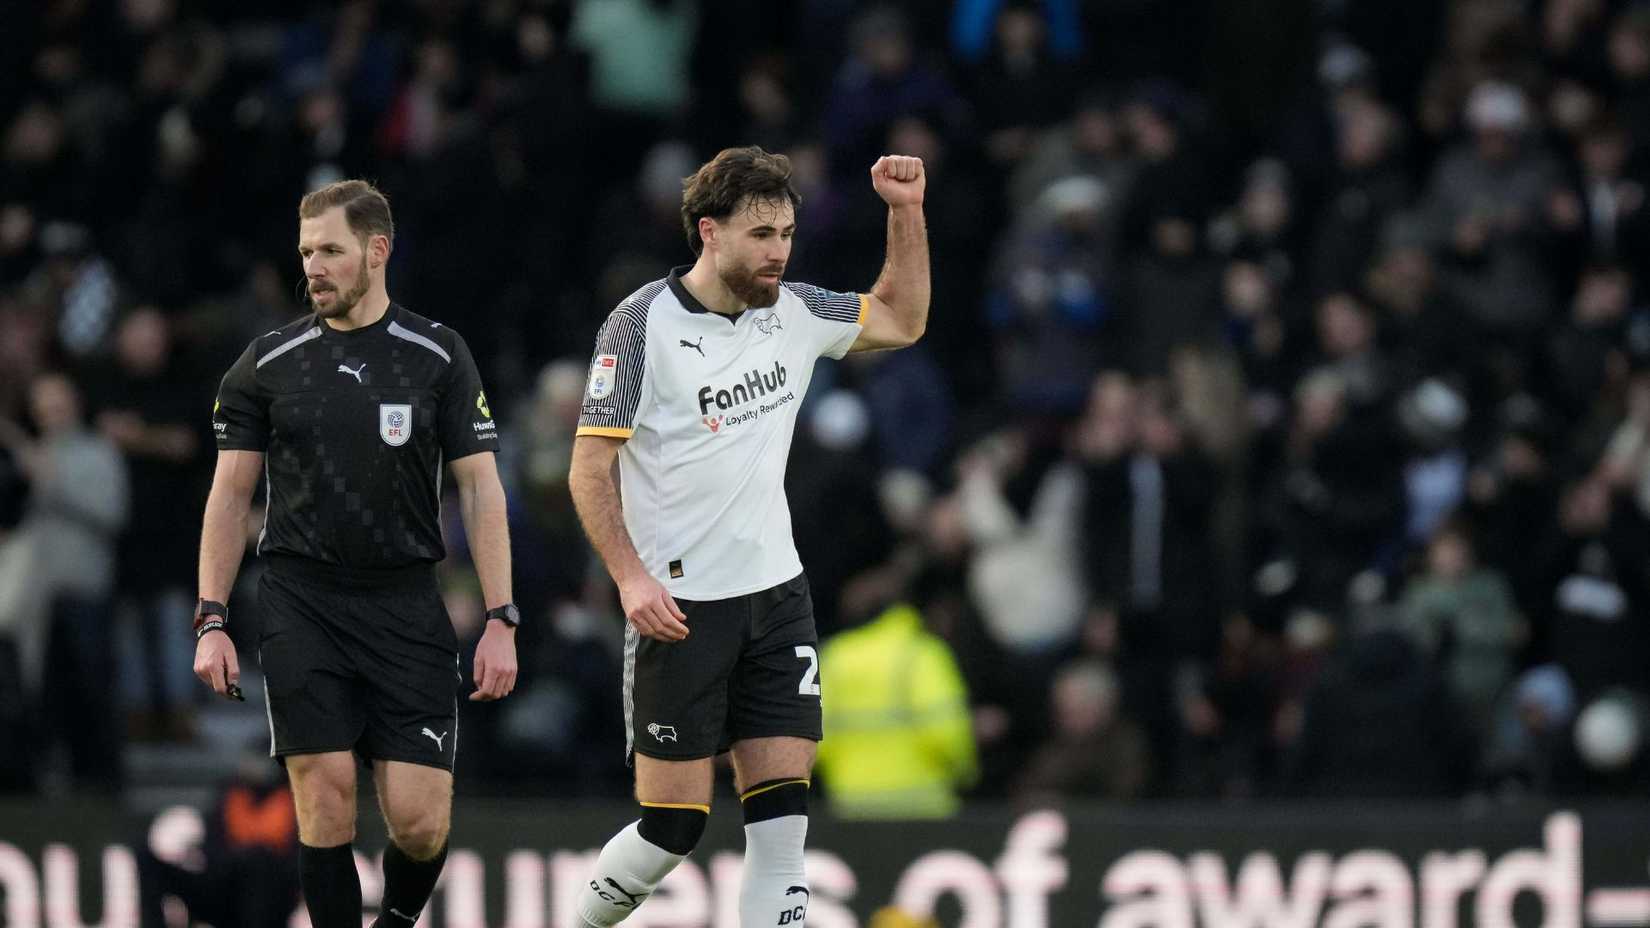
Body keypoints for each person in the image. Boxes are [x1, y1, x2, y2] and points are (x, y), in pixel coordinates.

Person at [567, 145, 929, 927]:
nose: (779, 253)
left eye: (788, 234)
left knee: (782, 827)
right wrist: (630, 578)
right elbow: (589, 470)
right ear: (710, 231)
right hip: (682, 607)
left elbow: (901, 317)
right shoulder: (639, 328)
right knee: (674, 826)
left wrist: (904, 211)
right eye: (762, 234)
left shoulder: (794, 311)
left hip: (776, 597)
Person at [192, 180, 519, 928]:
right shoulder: (267, 365)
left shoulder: (437, 355)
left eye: (331, 250)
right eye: (306, 251)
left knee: (419, 822)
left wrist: (501, 615)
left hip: (406, 603)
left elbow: (481, 491)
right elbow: (228, 497)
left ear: (378, 251)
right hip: (300, 599)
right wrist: (212, 617)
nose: (314, 266)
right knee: (325, 788)